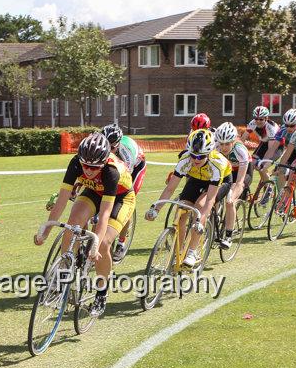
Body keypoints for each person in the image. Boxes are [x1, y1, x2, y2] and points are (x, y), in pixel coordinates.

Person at [37, 132, 135, 317]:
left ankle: (101, 292)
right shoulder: (75, 162)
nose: (88, 170)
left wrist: (95, 244)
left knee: (104, 244)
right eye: (86, 165)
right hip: (92, 191)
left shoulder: (111, 171)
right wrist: (46, 231)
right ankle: (64, 273)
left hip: (120, 198)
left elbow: (105, 213)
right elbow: (62, 201)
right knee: (72, 224)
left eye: (94, 167)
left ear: (104, 162)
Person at [147, 128, 229, 267]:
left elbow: (210, 199)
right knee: (180, 212)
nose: (196, 159)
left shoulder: (217, 164)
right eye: (193, 155)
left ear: (209, 153)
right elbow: (170, 189)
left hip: (220, 181)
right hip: (197, 179)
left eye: (201, 156)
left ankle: (192, 251)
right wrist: (156, 208)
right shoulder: (185, 159)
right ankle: (179, 252)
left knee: (200, 206)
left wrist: (199, 220)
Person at [102, 122, 146, 260]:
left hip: (135, 167)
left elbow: (122, 181)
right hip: (116, 167)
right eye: (106, 146)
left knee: (125, 200)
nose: (108, 150)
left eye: (112, 147)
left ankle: (121, 243)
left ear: (118, 144)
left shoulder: (125, 155)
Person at [213, 122, 251, 248]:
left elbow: (239, 182)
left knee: (230, 200)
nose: (224, 147)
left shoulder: (240, 150)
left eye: (227, 144)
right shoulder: (215, 146)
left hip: (242, 172)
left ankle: (229, 237)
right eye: (221, 143)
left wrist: (233, 194)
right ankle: (215, 218)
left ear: (233, 141)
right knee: (212, 195)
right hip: (227, 170)